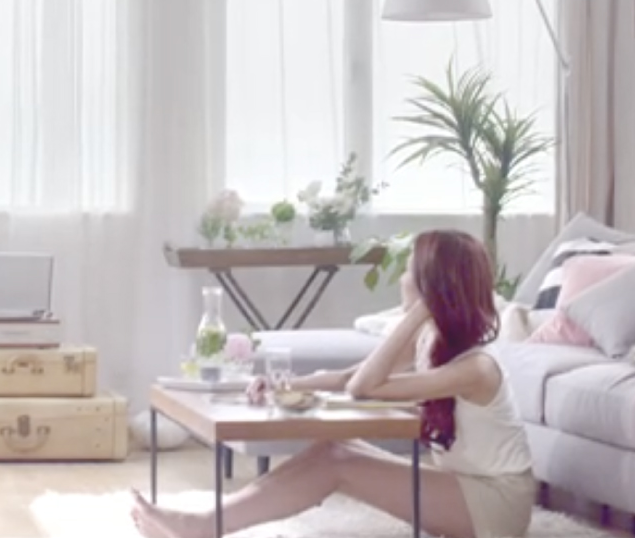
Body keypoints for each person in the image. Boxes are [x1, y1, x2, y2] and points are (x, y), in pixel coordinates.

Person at [131, 229, 535, 538]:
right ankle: (209, 520)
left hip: (494, 505)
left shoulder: (476, 367)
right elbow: (349, 377)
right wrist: (283, 385)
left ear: (431, 286)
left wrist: (415, 313)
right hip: (466, 487)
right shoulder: (434, 339)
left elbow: (363, 387)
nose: (401, 279)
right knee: (332, 448)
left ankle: (203, 528)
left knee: (336, 465)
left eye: (410, 272)